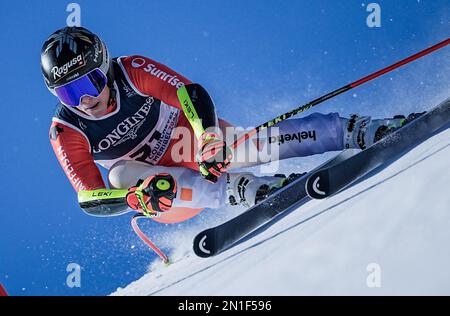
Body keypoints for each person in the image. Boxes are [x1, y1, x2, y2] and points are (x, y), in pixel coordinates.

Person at [41, 26, 415, 224]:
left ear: (104, 66)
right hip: (169, 195)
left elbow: (188, 92)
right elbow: (87, 197)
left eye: (89, 82)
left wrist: (207, 138)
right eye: (68, 94)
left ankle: (356, 130)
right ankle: (241, 191)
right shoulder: (66, 130)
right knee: (122, 176)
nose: (84, 99)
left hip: (189, 144)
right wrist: (131, 199)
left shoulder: (130, 70)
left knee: (245, 147)